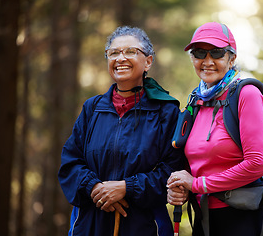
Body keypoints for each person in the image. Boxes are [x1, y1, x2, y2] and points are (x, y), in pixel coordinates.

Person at [58, 26, 183, 236]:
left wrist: (126, 188)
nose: (120, 58)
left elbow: (172, 171)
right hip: (90, 224)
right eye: (113, 53)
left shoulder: (166, 111)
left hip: (144, 225)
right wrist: (96, 188)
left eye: (130, 51)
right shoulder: (92, 108)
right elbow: (70, 162)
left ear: (148, 62)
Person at [166, 22, 263, 235]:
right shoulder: (197, 101)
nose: (207, 61)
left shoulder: (247, 95)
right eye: (199, 53)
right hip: (203, 216)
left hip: (241, 217)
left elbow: (258, 162)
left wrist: (197, 185)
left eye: (216, 53)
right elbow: (198, 163)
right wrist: (181, 187)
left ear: (232, 58)